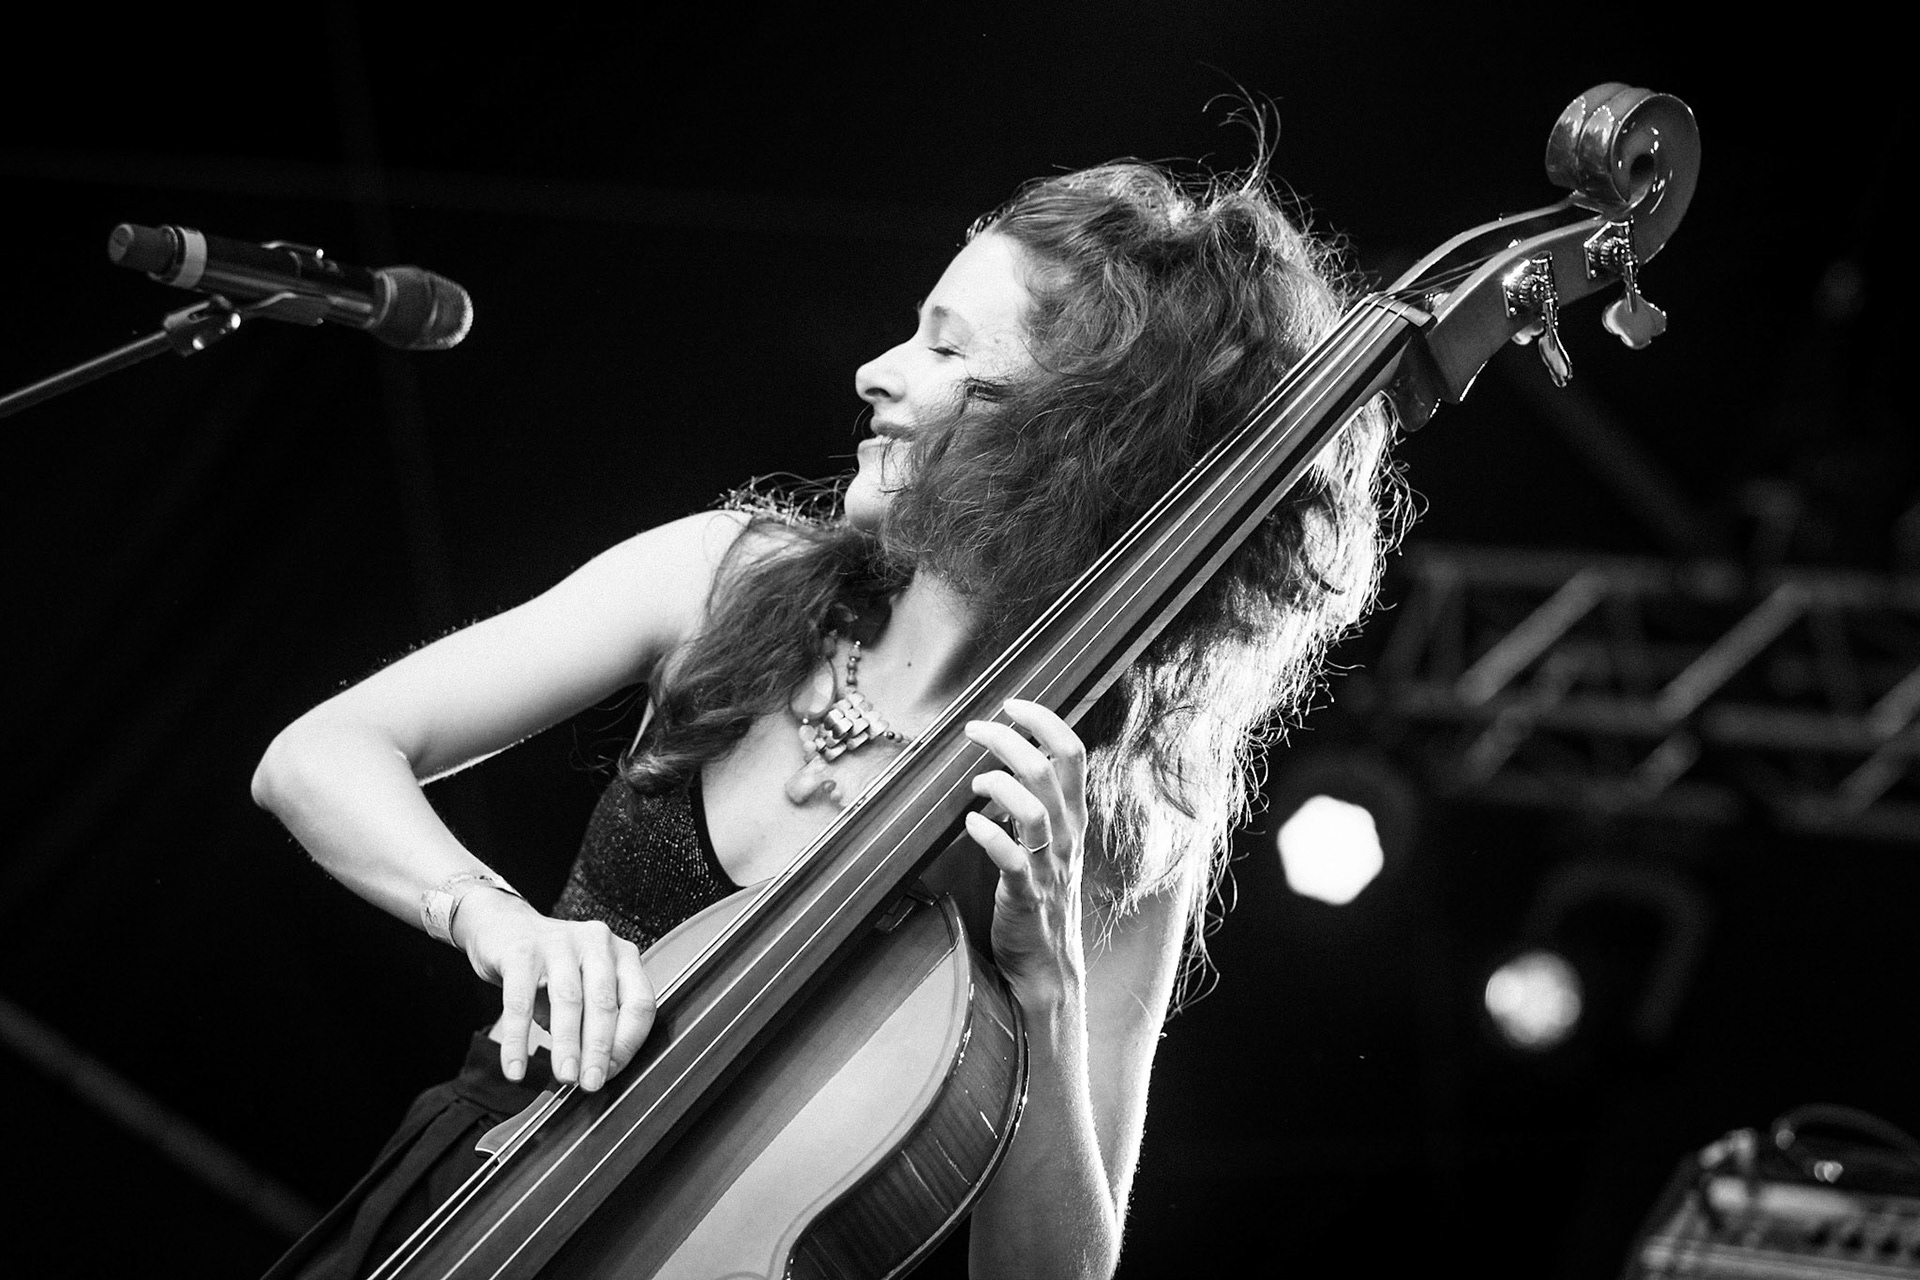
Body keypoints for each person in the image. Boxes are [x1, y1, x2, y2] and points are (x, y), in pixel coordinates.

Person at [251, 150, 1398, 1279]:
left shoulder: (1111, 813)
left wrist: (1047, 986)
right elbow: (319, 754)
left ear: (1078, 428)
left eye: (947, 346)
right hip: (458, 1209)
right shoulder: (727, 577)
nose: (874, 369)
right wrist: (495, 920)